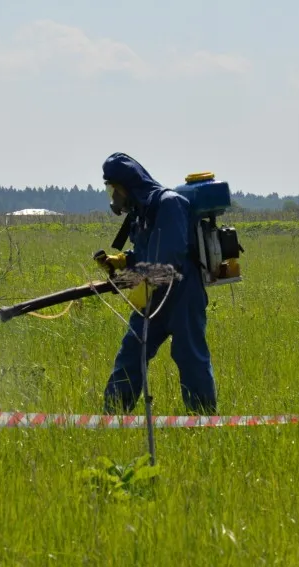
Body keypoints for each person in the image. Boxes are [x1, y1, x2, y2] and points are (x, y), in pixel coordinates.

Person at [94, 152, 217, 415]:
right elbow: (145, 253)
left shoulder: (169, 204)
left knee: (190, 357)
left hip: (182, 296)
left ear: (128, 186)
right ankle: (113, 416)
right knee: (130, 356)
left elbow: (168, 259)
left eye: (114, 191)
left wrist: (130, 281)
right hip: (151, 296)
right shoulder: (141, 212)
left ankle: (204, 420)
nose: (113, 199)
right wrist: (122, 261)